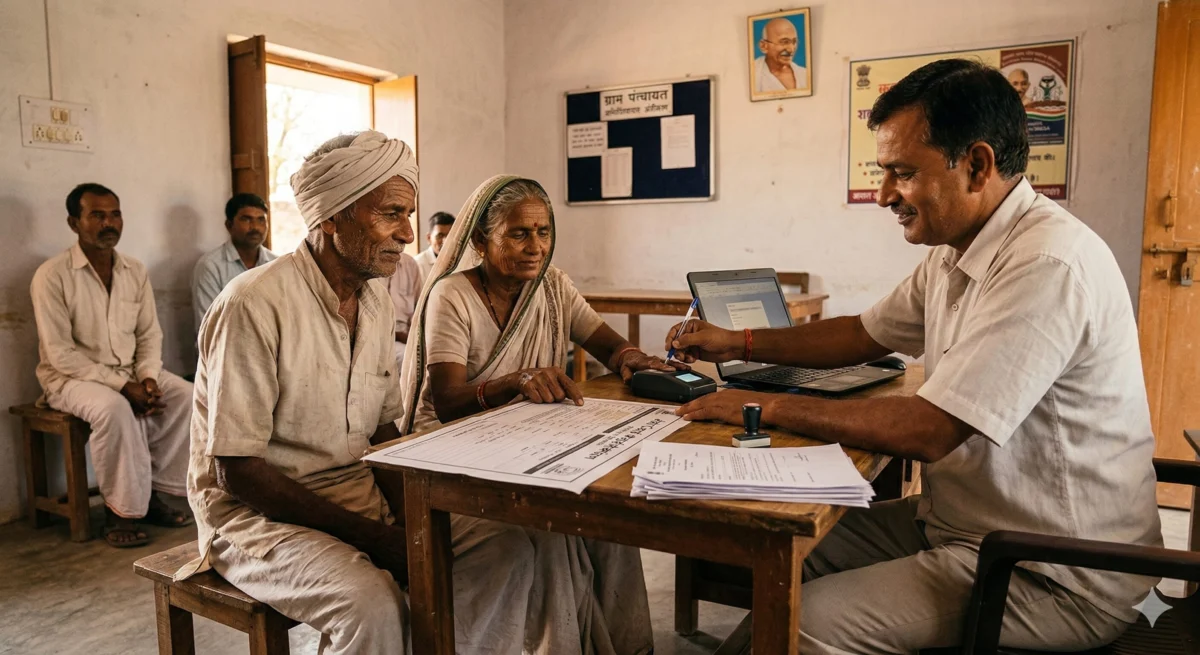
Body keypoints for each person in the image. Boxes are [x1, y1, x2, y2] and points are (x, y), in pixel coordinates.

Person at [665, 59, 1160, 653]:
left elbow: (930, 429)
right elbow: (860, 334)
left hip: (1053, 570)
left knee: (807, 620)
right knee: (786, 554)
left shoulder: (1046, 263)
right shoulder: (958, 250)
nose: (883, 196)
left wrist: (758, 405)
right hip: (965, 526)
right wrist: (736, 342)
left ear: (976, 164)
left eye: (902, 173)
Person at [182, 132, 553, 655]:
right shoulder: (253, 303)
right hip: (257, 518)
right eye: (391, 214)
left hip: (357, 492)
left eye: (409, 215)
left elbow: (382, 433)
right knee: (370, 604)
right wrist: (376, 539)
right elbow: (237, 471)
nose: (406, 234)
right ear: (330, 218)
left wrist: (412, 517)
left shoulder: (373, 299)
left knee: (504, 549)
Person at [400, 175, 671, 654]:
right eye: (519, 233)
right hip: (455, 454)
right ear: (482, 241)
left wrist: (632, 358)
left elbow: (605, 341)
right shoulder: (452, 296)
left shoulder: (552, 287)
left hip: (523, 443)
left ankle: (629, 648)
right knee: (549, 536)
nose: (535, 246)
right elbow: (445, 401)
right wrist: (513, 381)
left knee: (614, 527)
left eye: (543, 232)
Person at [31, 183, 193, 548]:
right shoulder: (52, 275)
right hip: (69, 378)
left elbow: (150, 334)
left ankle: (151, 495)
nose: (109, 223)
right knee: (115, 410)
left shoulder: (135, 271)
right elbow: (61, 354)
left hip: (130, 373)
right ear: (74, 222)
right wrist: (124, 387)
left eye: (115, 214)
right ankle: (120, 511)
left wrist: (148, 377)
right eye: (97, 215)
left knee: (188, 396)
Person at [191, 193, 277, 333]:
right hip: (225, 351)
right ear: (229, 225)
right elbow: (209, 327)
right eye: (246, 219)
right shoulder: (211, 266)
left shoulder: (275, 264)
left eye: (261, 220)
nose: (255, 227)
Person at [386, 251, 422, 371]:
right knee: (411, 360)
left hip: (407, 336)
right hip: (381, 338)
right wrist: (397, 335)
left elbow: (420, 307)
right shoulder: (369, 264)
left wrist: (414, 337)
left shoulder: (410, 263)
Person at [754, 17, 808, 93]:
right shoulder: (753, 73)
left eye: (794, 42)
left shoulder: (804, 74)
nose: (791, 49)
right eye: (784, 42)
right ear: (764, 46)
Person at [414, 210, 455, 281]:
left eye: (450, 236)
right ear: (429, 238)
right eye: (440, 236)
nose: (445, 242)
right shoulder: (417, 265)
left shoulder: (464, 261)